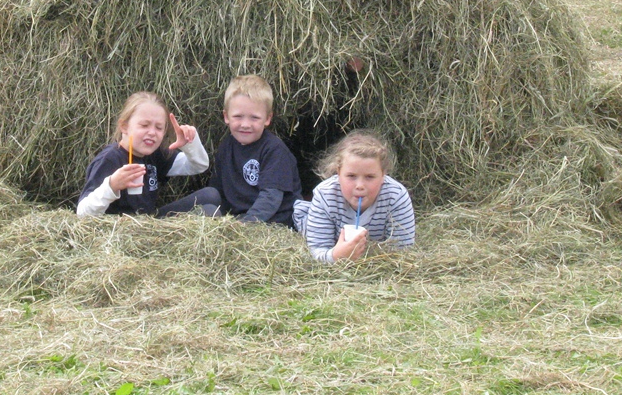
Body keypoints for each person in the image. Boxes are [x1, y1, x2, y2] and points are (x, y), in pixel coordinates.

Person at [77, 91, 220, 217]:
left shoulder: (155, 154)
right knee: (209, 211)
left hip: (149, 224)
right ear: (124, 127)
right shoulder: (110, 159)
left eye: (159, 127)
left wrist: (189, 144)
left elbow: (199, 166)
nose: (152, 132)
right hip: (120, 232)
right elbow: (82, 213)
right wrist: (112, 185)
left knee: (211, 195)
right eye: (144, 125)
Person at [294, 131, 416, 263]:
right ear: (338, 173)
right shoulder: (325, 196)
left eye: (370, 177)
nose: (360, 186)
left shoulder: (396, 197)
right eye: (351, 176)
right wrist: (336, 256)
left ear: (383, 175)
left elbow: (403, 251)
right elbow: (317, 251)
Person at [209, 74, 302, 226]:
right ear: (226, 116)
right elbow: (217, 189)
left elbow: (270, 198)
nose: (245, 124)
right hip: (240, 219)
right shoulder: (226, 147)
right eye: (238, 116)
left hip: (274, 222)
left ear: (267, 119)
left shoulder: (274, 150)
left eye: (254, 118)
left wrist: (246, 224)